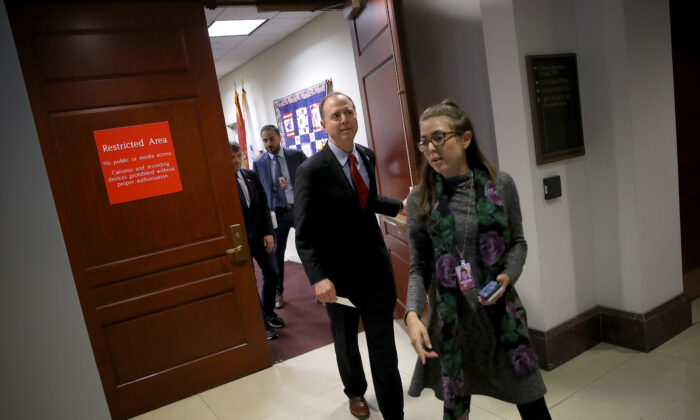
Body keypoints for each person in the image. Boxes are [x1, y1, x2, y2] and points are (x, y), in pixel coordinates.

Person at [404, 100, 551, 420]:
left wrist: (508, 276)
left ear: (466, 139)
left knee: (531, 401)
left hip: (501, 320)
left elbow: (518, 244)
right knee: (456, 409)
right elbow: (419, 267)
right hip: (451, 325)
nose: (430, 148)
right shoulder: (421, 198)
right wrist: (412, 314)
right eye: (424, 141)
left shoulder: (500, 185)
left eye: (439, 137)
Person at [294, 92, 405, 420]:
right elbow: (304, 233)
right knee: (345, 340)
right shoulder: (311, 171)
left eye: (348, 112)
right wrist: (318, 278)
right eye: (335, 116)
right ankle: (355, 391)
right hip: (337, 278)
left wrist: (399, 207)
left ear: (356, 116)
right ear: (324, 124)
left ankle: (393, 412)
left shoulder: (366, 156)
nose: (343, 120)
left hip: (375, 271)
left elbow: (365, 201)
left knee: (383, 346)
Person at [231, 142, 285, 340]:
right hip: (240, 240)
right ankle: (261, 322)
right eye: (231, 157)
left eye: (238, 156)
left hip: (261, 235)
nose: (236, 160)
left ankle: (268, 313)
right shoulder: (221, 181)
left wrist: (269, 233)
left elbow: (263, 206)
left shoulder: (250, 175)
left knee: (272, 272)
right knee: (249, 280)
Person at [253, 125, 307, 309]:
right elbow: (259, 193)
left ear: (279, 137)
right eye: (265, 140)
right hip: (277, 215)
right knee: (277, 255)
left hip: (299, 210)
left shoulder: (296, 155)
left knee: (309, 249)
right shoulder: (259, 163)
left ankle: (322, 288)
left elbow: (310, 178)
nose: (268, 144)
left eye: (271, 139)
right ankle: (278, 292)